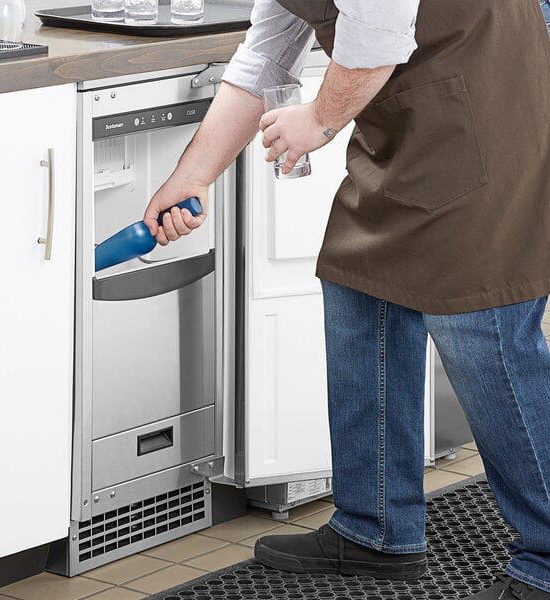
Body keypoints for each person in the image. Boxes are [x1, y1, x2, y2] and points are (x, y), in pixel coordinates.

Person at [143, 1, 550, 598]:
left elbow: (378, 35)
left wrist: (318, 121)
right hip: (408, 116)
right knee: (362, 290)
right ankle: (375, 529)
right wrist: (192, 175)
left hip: (489, 103)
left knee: (482, 326)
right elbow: (263, 57)